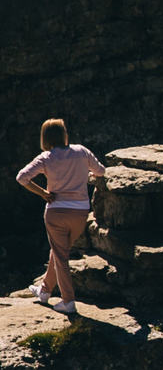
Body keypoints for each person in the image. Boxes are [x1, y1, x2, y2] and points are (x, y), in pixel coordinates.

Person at [17, 118, 105, 316]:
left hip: (56, 212)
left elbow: (22, 178)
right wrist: (85, 177)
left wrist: (43, 193)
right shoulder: (81, 151)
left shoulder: (46, 157)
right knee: (59, 251)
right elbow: (101, 171)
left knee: (61, 255)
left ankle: (68, 301)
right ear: (63, 134)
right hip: (80, 212)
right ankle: (45, 291)